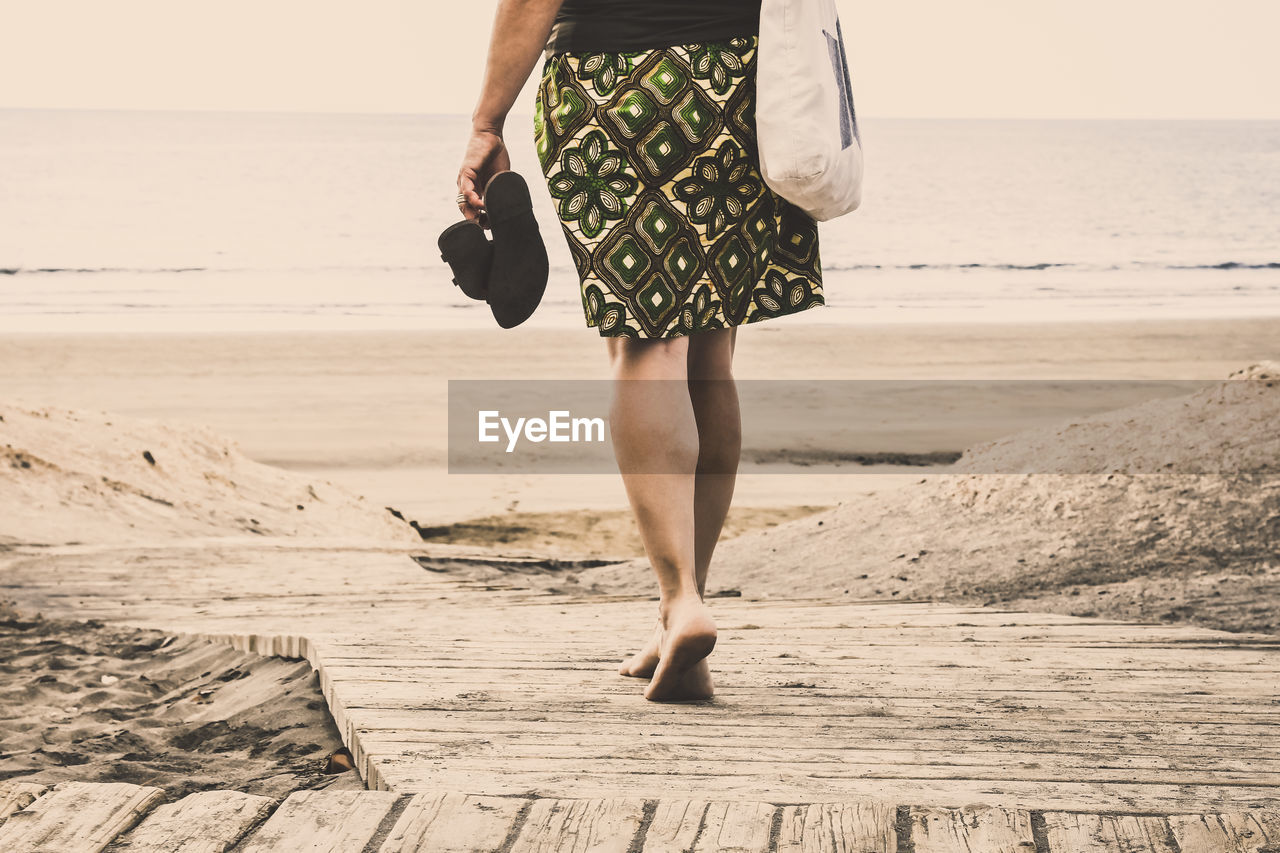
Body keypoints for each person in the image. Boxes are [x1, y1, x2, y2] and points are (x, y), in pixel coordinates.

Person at [456, 0, 824, 701]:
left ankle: (680, 599)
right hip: (736, 86)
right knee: (711, 354)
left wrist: (486, 123)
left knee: (645, 342)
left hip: (611, 84)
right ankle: (682, 618)